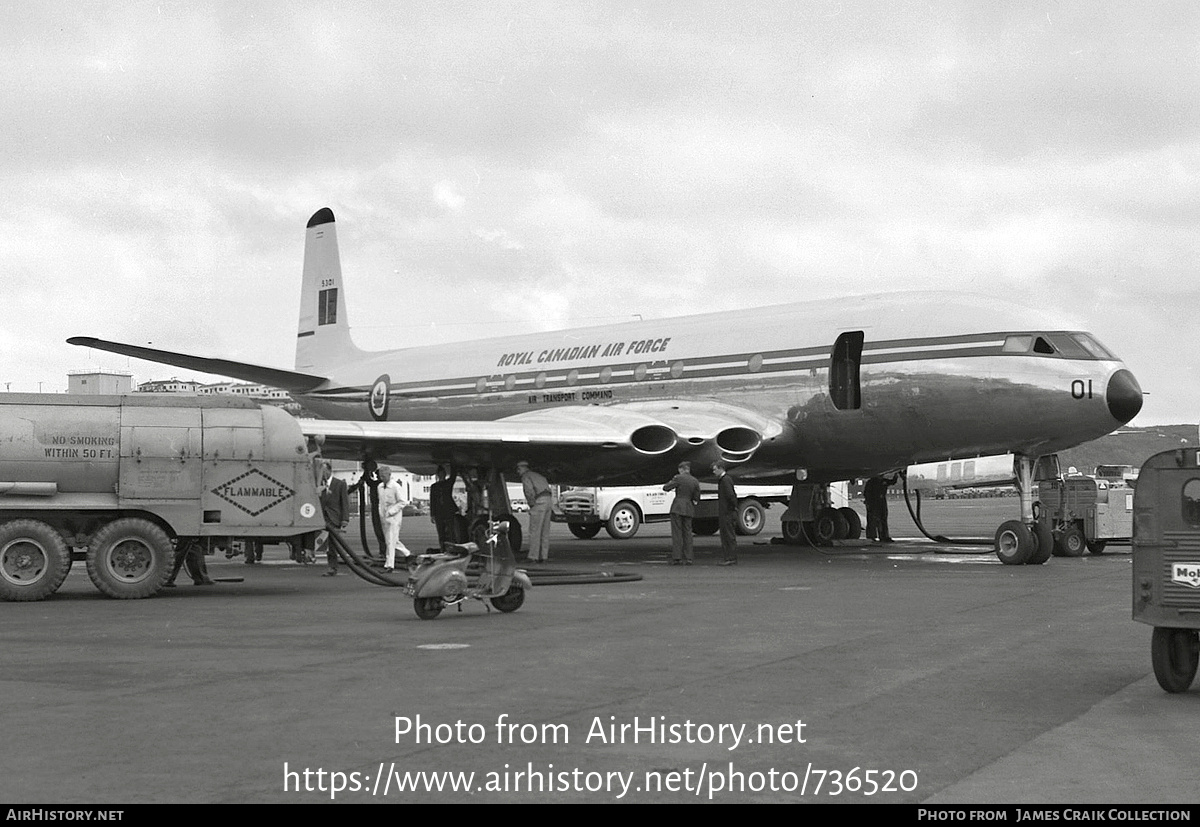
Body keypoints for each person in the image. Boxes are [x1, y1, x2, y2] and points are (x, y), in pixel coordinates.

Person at [663, 461, 701, 565]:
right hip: (688, 508)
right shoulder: (695, 481)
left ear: (681, 469)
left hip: (677, 508)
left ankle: (677, 557)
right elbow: (697, 497)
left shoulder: (678, 478)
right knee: (688, 533)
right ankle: (689, 558)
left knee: (677, 533)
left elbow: (666, 487)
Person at [517, 460, 552, 564]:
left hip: (539, 501)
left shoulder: (526, 476)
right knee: (545, 531)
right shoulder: (538, 476)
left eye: (518, 469)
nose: (517, 472)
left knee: (535, 531)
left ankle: (533, 556)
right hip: (548, 500)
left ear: (523, 468)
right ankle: (544, 556)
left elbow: (528, 491)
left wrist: (531, 504)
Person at [377, 465, 412, 571]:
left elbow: (403, 501)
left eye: (383, 476)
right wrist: (381, 513)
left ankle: (389, 564)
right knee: (392, 540)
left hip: (394, 518)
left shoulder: (395, 486)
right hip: (384, 517)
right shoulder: (380, 487)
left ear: (389, 475)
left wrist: (392, 511)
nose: (382, 478)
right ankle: (408, 554)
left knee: (390, 542)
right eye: (380, 476)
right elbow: (381, 502)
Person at [319, 463, 351, 576]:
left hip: (334, 518)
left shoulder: (340, 484)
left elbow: (345, 502)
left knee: (333, 544)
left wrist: (345, 519)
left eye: (323, 471)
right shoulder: (319, 484)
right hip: (322, 518)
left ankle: (332, 567)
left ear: (329, 471)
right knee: (323, 543)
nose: (322, 474)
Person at [712, 461, 738, 566]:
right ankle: (729, 557)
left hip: (727, 513)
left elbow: (731, 496)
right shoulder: (724, 480)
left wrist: (731, 509)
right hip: (727, 512)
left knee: (728, 536)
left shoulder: (725, 480)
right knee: (726, 536)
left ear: (720, 468)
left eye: (715, 469)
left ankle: (730, 558)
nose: (713, 472)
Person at [428, 465, 458, 550]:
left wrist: (453, 463)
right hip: (439, 512)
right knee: (441, 533)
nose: (441, 475)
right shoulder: (434, 486)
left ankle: (452, 548)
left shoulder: (448, 483)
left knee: (451, 532)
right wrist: (432, 514)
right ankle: (443, 549)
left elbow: (453, 476)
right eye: (440, 473)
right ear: (438, 475)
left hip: (448, 510)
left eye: (443, 473)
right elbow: (432, 500)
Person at [864, 474, 897, 543]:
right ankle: (871, 536)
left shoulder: (883, 481)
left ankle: (884, 536)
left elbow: (893, 482)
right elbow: (866, 493)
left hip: (881, 502)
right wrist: (868, 503)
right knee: (873, 520)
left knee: (883, 519)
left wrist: (896, 475)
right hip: (873, 502)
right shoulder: (871, 482)